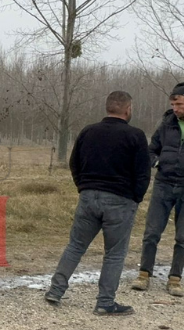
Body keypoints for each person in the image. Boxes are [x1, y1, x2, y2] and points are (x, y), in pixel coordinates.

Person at [45, 91, 150, 315]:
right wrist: (135, 199)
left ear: (108, 107)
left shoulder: (88, 131)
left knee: (75, 246)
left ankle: (55, 290)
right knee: (114, 253)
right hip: (120, 200)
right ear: (128, 109)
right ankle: (105, 303)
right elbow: (143, 173)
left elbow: (74, 163)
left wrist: (83, 187)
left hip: (89, 197)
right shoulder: (136, 136)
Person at [131, 81, 184, 297]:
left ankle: (175, 279)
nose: (175, 108)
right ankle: (144, 275)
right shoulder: (166, 124)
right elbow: (151, 150)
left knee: (183, 237)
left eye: (179, 103)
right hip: (163, 184)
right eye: (173, 104)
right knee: (152, 232)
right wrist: (156, 162)